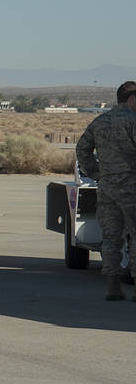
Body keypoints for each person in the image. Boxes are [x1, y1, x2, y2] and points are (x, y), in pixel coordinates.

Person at [76, 80, 136, 301]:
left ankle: (112, 286)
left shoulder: (100, 122)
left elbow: (82, 148)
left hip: (107, 187)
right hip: (131, 187)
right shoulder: (133, 121)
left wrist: (96, 173)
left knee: (111, 238)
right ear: (131, 99)